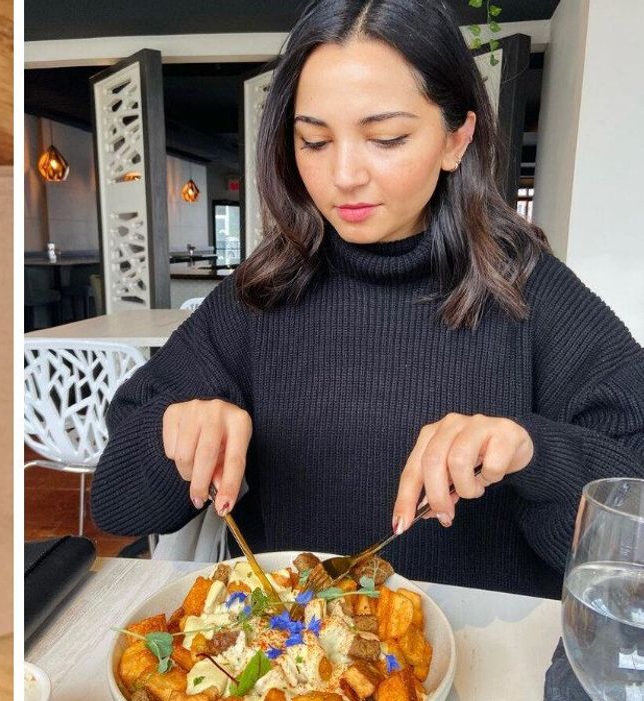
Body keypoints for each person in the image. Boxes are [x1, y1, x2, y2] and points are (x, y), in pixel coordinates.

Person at [89, 0, 644, 599]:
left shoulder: (532, 293)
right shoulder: (260, 295)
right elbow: (118, 505)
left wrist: (533, 452)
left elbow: (628, 528)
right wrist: (175, 434)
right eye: (315, 141)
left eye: (386, 137)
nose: (344, 175)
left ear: (456, 139)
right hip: (294, 665)